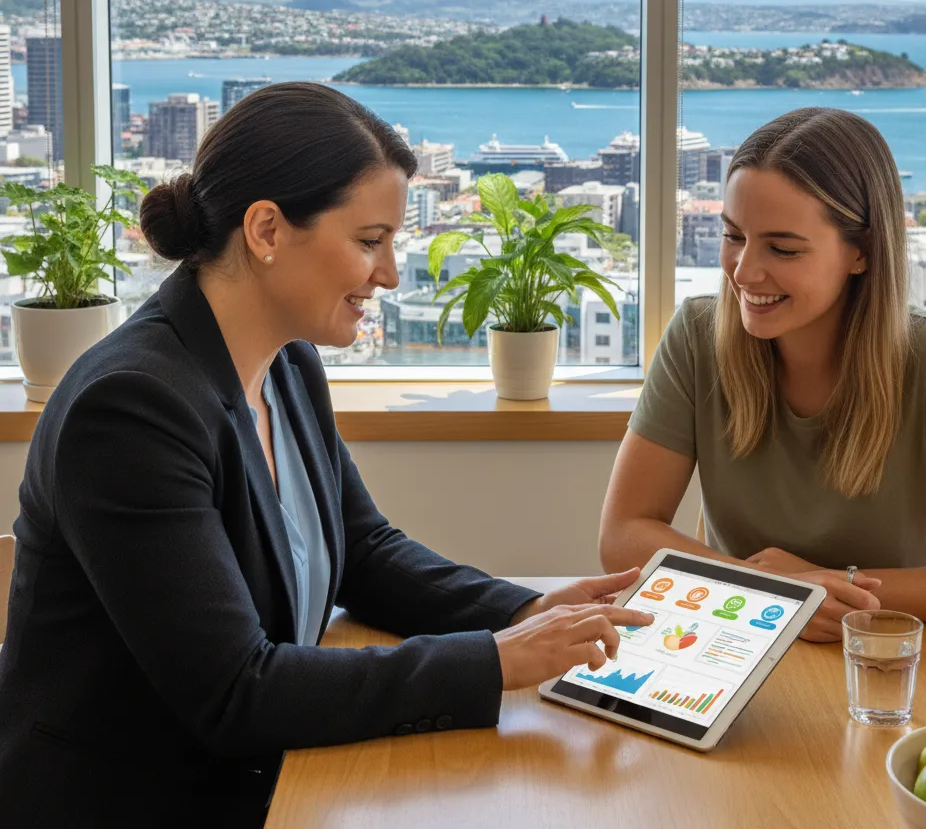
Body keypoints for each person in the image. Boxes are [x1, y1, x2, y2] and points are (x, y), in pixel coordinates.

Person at [0, 83, 652, 827]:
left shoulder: (285, 364)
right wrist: (497, 660)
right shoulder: (130, 410)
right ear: (267, 230)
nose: (390, 274)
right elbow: (236, 692)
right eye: (370, 241)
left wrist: (527, 609)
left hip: (273, 779)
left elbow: (365, 551)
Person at [599, 107, 926, 642]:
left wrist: (834, 592)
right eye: (733, 236)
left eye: (782, 248)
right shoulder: (696, 336)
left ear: (862, 253)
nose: (745, 271)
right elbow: (622, 534)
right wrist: (773, 591)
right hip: (732, 646)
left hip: (890, 664)